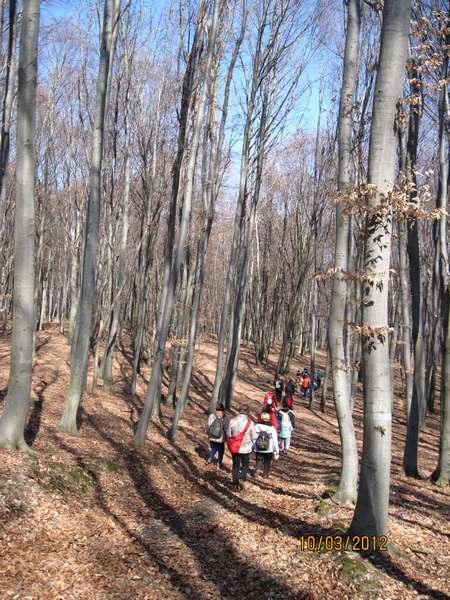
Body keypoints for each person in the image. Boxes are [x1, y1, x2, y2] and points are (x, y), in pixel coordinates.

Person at [226, 404, 256, 490]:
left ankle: (235, 481)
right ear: (248, 412)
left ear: (239, 410)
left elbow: (228, 434)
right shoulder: (251, 423)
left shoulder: (232, 421)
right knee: (245, 465)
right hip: (246, 448)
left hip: (235, 447)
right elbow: (254, 437)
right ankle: (241, 478)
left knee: (236, 465)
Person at [253, 411, 279, 479]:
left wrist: (253, 447)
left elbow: (253, 437)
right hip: (269, 449)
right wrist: (276, 450)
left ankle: (256, 471)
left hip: (258, 447)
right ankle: (265, 475)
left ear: (261, 418)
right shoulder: (271, 428)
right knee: (267, 462)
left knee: (258, 460)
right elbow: (275, 440)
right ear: (269, 418)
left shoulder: (257, 426)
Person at [207, 404, 229, 469]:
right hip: (220, 439)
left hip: (212, 437)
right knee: (221, 451)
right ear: (223, 411)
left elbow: (209, 425)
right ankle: (219, 463)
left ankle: (210, 458)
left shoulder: (212, 416)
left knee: (213, 448)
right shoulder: (225, 418)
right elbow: (226, 429)